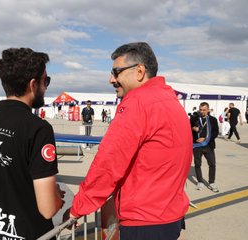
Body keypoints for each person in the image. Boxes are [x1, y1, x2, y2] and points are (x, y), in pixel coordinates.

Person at [66, 42, 192, 240]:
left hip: (144, 222)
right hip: (170, 216)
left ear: (140, 71)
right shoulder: (169, 99)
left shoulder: (137, 103)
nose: (111, 79)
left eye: (116, 72)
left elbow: (108, 164)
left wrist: (77, 209)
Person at [0, 48, 65, 240]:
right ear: (33, 84)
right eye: (45, 81)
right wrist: (56, 196)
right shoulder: (38, 129)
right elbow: (48, 209)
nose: (46, 87)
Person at [191, 102, 219, 192]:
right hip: (196, 146)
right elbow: (188, 127)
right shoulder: (194, 119)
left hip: (208, 145)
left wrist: (205, 138)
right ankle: (200, 181)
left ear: (208, 110)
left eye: (204, 110)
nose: (202, 112)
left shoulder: (213, 120)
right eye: (201, 110)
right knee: (198, 164)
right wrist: (193, 128)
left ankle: (211, 182)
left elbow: (215, 132)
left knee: (212, 164)